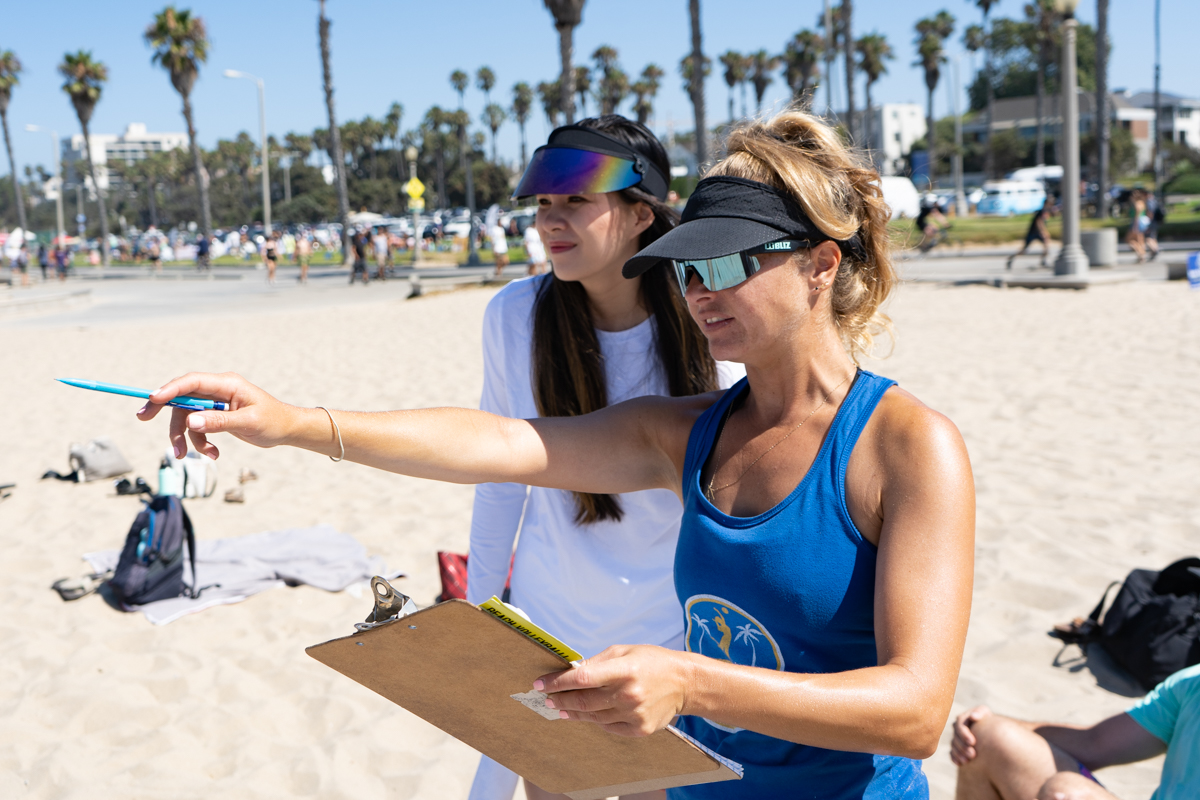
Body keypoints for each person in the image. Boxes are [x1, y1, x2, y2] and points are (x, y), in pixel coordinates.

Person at [139, 109, 975, 800]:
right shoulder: (688, 431)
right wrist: (292, 422)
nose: (701, 292)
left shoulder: (907, 448)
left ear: (822, 263)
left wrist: (691, 683)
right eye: (687, 272)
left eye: (727, 262)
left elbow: (914, 711)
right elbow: (504, 443)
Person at [468, 116, 742, 800]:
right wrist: (478, 615)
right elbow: (500, 475)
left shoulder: (705, 312)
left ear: (640, 213)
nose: (550, 222)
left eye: (575, 202)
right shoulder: (515, 314)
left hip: (664, 629)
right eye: (542, 204)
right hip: (549, 618)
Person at [951, 663, 1200, 800]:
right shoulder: (1192, 683)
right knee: (986, 738)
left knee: (1066, 791)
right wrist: (987, 721)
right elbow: (1094, 743)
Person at [1007, 199, 1054, 270]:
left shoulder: (1045, 212)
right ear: (1046, 204)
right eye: (1049, 204)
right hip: (1033, 233)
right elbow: (1039, 222)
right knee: (1024, 250)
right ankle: (1011, 257)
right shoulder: (1041, 212)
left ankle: (1043, 260)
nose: (1050, 205)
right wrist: (1043, 232)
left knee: (1046, 245)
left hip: (1038, 233)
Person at [1126, 190, 1147, 264]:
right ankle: (1141, 254)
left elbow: (1137, 216)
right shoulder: (1142, 203)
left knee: (1130, 240)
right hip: (1141, 223)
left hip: (1136, 223)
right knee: (1140, 240)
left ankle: (1141, 254)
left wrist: (1135, 226)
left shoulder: (1137, 204)